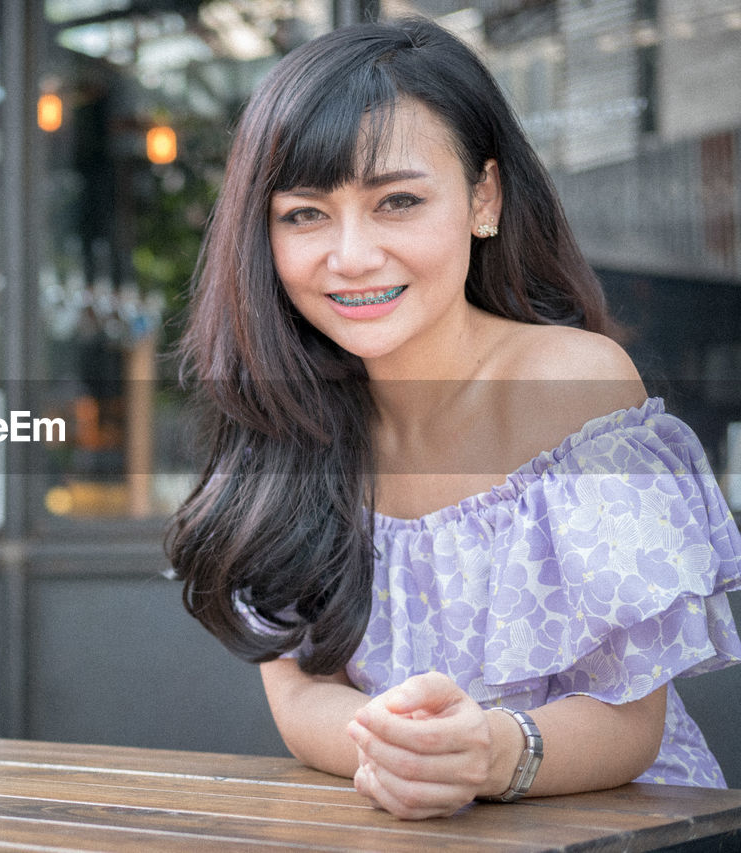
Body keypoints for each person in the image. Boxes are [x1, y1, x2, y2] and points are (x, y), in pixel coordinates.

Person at [166, 17, 741, 820]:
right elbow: (300, 701)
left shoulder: (576, 385)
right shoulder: (281, 418)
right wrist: (401, 751)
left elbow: (632, 722)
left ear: (483, 198)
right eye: (305, 214)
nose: (353, 254)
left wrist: (489, 753)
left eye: (397, 200)